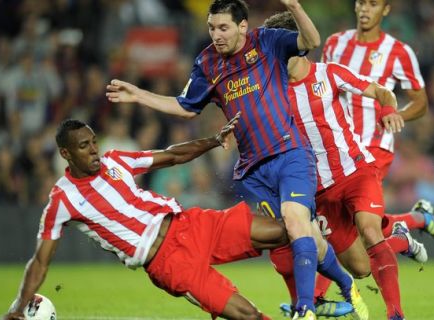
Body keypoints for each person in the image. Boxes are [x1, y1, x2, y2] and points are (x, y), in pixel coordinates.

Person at [106, 1, 354, 318]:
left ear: (242, 26)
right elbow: (185, 107)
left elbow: (311, 41)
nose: (216, 35)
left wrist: (294, 6)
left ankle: (304, 309)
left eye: (223, 28)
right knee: (298, 234)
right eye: (212, 28)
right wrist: (139, 94)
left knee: (295, 223)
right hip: (254, 169)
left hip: (290, 153)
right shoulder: (207, 63)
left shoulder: (268, 40)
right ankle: (344, 281)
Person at [4, 115, 288, 320]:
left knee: (282, 231)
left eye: (93, 142)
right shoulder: (61, 200)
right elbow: (41, 261)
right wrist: (18, 308)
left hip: (189, 223)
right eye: (84, 146)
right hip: (170, 263)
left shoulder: (115, 160)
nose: (93, 150)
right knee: (248, 314)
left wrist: (213, 141)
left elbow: (172, 155)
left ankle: (314, 296)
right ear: (65, 153)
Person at [262, 11, 431, 320]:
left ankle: (396, 314)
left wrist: (388, 111)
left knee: (369, 230)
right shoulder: (271, 92)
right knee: (362, 268)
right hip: (319, 190)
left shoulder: (330, 73)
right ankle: (402, 238)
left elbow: (382, 90)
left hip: (356, 171)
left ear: (292, 45)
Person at [317, 0, 434, 312]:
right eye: (361, 2)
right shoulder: (335, 44)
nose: (365, 9)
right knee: (349, 229)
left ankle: (390, 312)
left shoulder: (398, 51)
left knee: (360, 228)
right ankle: (412, 224)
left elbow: (421, 101)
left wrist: (396, 115)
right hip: (338, 148)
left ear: (386, 10)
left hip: (375, 148)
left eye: (373, 4)